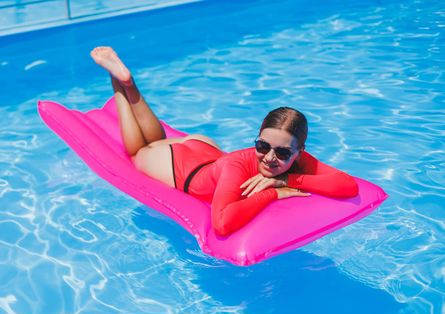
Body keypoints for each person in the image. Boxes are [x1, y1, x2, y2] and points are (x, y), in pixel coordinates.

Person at [90, 46, 359, 236]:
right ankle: (119, 82)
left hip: (206, 150)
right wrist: (273, 192)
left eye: (282, 153)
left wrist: (289, 180)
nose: (269, 158)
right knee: (140, 150)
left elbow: (347, 185)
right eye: (262, 146)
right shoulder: (238, 168)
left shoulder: (296, 162)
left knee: (156, 137)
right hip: (178, 164)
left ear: (300, 152)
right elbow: (221, 223)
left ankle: (127, 83)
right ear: (257, 138)